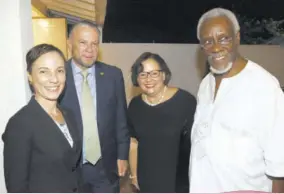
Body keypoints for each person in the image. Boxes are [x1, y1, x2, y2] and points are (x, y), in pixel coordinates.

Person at [190, 7, 284, 193]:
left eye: (224, 38)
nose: (216, 47)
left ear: (238, 37)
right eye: (208, 41)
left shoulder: (264, 85)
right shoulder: (205, 84)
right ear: (202, 47)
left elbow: (279, 160)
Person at [59, 21, 130, 193]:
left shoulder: (113, 75)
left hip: (105, 167)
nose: (90, 49)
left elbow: (121, 118)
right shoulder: (58, 75)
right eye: (83, 43)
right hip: (71, 168)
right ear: (69, 44)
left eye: (94, 44)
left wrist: (122, 155)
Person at [2, 44, 82, 192]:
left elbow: (73, 168)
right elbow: (16, 187)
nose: (54, 79)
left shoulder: (68, 114)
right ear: (30, 76)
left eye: (59, 71)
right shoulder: (20, 124)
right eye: (44, 72)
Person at [128, 52, 196, 192]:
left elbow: (195, 144)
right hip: (146, 179)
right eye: (142, 74)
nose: (148, 79)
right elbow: (133, 143)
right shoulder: (135, 105)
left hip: (177, 181)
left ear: (164, 75)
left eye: (154, 73)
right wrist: (134, 177)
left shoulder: (185, 101)